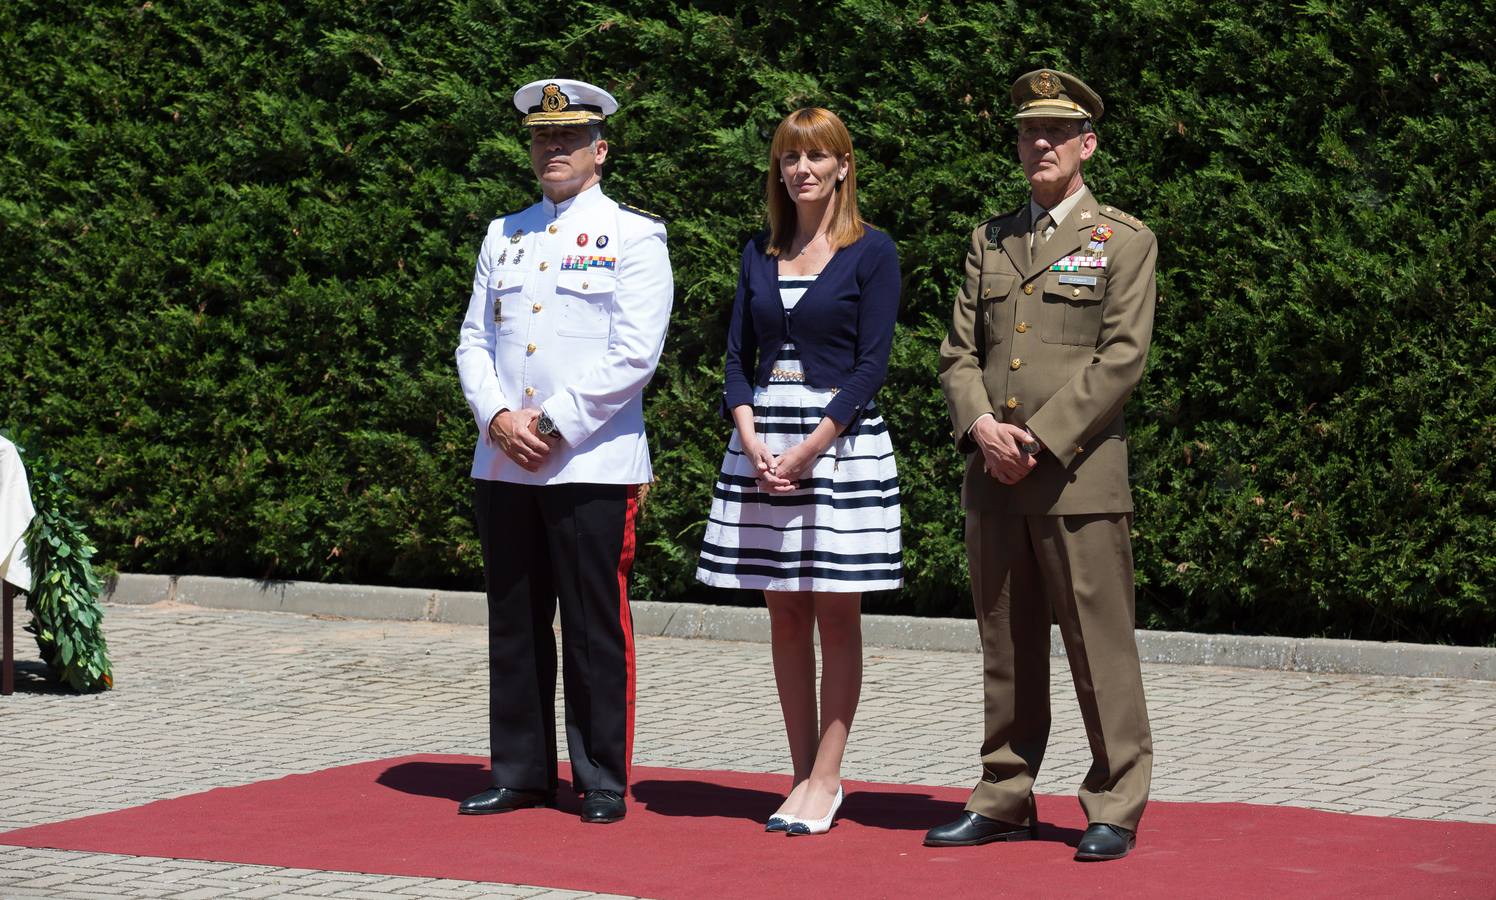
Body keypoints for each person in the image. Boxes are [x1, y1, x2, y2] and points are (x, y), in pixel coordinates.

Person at [928, 68, 1157, 861]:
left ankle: (1115, 801)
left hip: (1077, 477)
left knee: (1100, 649)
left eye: (1058, 132)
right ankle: (1004, 791)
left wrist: (1038, 438)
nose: (1042, 144)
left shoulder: (1124, 241)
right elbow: (959, 354)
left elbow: (1121, 358)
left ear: (1087, 145)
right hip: (993, 477)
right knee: (1007, 647)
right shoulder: (989, 239)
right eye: (1030, 131)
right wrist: (982, 427)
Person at [454, 78, 673, 824]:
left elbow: (635, 353)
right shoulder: (501, 234)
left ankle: (602, 777)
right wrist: (495, 419)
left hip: (589, 463)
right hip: (503, 461)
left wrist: (546, 426)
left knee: (591, 625)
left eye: (569, 139)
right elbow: (474, 342)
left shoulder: (635, 236)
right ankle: (519, 772)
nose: (553, 149)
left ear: (599, 151)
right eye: (543, 138)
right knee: (514, 621)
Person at [695, 108, 903, 837]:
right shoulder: (758, 250)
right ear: (778, 170)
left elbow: (872, 365)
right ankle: (797, 777)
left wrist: (811, 446)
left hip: (836, 446)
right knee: (783, 610)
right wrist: (750, 439)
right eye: (790, 157)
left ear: (843, 166)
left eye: (817, 157)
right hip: (762, 445)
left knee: (836, 612)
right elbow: (733, 358)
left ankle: (828, 778)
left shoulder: (873, 252)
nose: (803, 169)